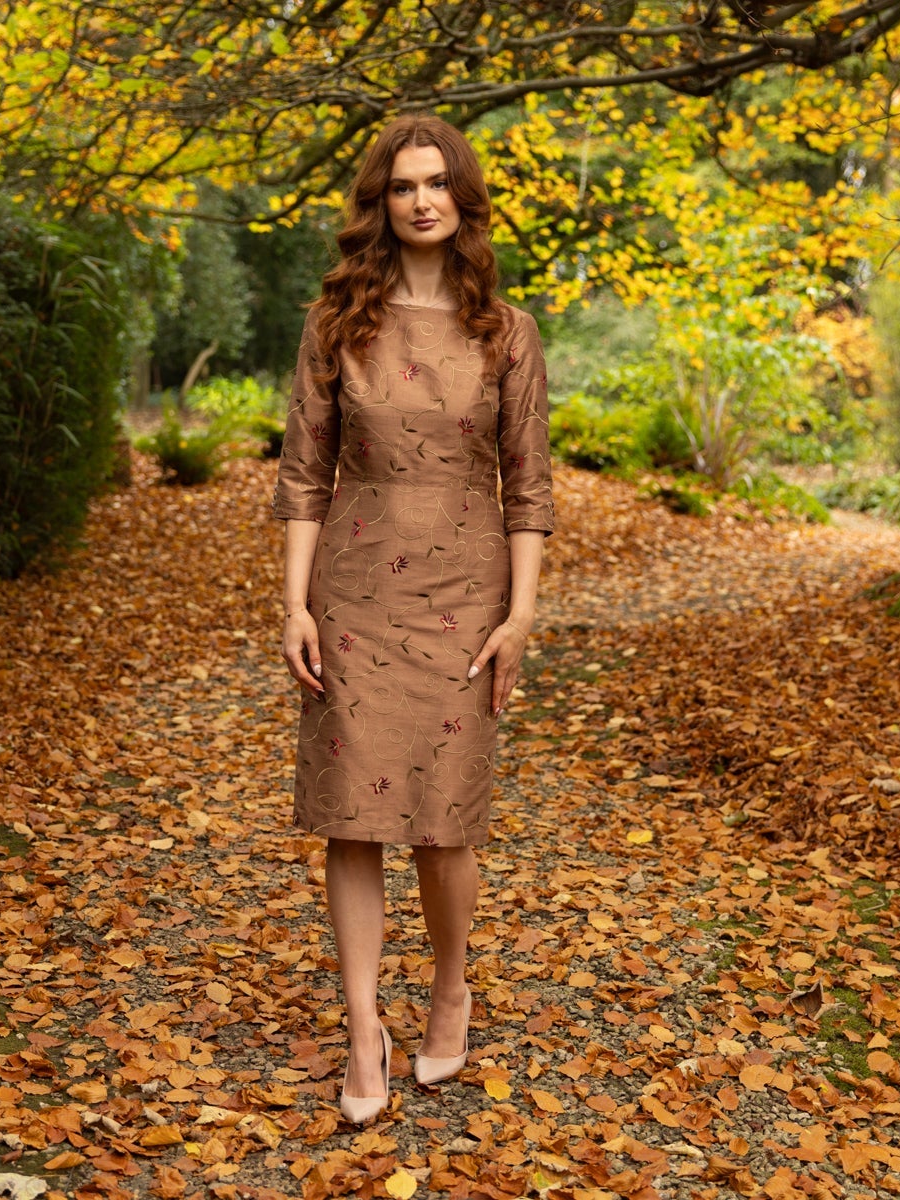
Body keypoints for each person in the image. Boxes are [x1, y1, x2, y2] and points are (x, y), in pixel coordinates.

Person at [271, 113, 556, 1125]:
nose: (421, 199)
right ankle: (361, 1029)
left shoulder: (504, 332)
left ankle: (448, 987)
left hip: (467, 594)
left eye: (437, 183)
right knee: (352, 818)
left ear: (462, 199)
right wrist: (294, 602)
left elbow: (527, 485)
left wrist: (519, 615)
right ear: (379, 203)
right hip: (352, 590)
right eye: (401, 186)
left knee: (442, 826)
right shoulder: (335, 321)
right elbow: (303, 473)